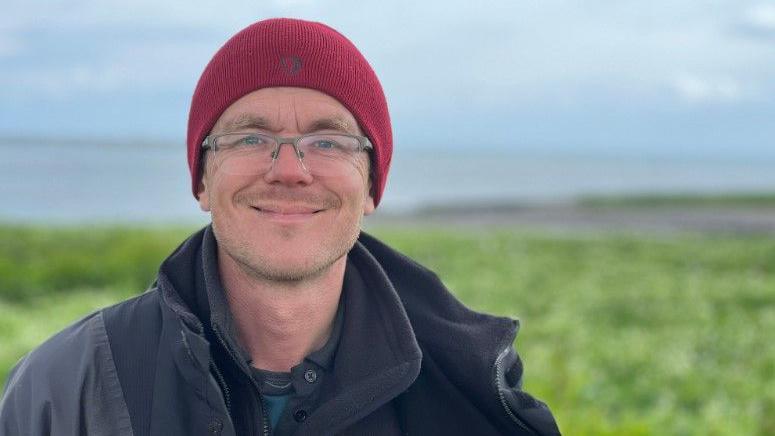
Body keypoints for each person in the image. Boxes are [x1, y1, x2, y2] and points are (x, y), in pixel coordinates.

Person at [0, 18, 560, 436]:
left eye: (328, 140)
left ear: (370, 187)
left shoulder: (475, 399)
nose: (290, 170)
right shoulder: (67, 387)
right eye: (250, 138)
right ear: (201, 181)